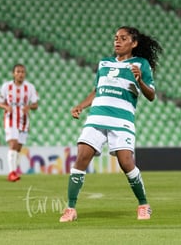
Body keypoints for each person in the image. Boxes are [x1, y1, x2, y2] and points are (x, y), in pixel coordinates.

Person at [59, 26, 162, 222]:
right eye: (116, 38)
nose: (117, 41)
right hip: (97, 116)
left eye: (123, 38)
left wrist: (140, 81)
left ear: (134, 43)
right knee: (81, 157)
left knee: (126, 162)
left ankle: (143, 204)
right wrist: (81, 106)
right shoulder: (104, 63)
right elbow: (97, 90)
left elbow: (151, 95)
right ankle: (70, 208)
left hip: (121, 119)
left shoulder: (141, 64)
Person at [0, 64, 39, 182]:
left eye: (22, 72)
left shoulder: (30, 87)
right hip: (10, 117)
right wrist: (6, 107)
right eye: (18, 71)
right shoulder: (6, 86)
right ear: (13, 74)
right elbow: (0, 102)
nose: (20, 74)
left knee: (19, 147)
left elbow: (35, 104)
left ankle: (15, 171)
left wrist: (29, 107)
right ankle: (12, 173)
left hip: (24, 119)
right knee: (13, 143)